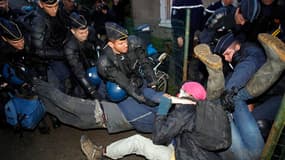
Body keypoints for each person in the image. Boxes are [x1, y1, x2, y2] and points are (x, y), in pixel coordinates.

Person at [80, 81, 231, 160]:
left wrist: (163, 110)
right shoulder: (208, 110)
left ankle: (99, 153)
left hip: (184, 156)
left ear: (185, 92)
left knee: (137, 141)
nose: (179, 91)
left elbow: (158, 138)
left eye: (182, 90)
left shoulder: (184, 112)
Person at [194, 32, 285, 160]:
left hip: (278, 98)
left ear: (237, 47)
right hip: (250, 153)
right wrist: (228, 91)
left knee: (224, 105)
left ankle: (215, 79)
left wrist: (228, 90)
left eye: (227, 54)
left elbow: (247, 66)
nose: (226, 58)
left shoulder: (250, 51)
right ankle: (215, 81)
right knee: (229, 101)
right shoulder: (239, 57)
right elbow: (235, 75)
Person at [97, 22, 159, 107]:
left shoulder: (134, 43)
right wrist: (142, 99)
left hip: (134, 77)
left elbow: (145, 62)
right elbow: (123, 81)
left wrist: (152, 83)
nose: (126, 45)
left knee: (149, 97)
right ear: (111, 44)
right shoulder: (105, 60)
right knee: (113, 96)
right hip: (115, 83)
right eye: (121, 43)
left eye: (126, 40)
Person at [63, 12, 103, 99]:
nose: (85, 35)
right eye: (81, 33)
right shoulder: (69, 47)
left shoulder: (90, 31)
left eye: (86, 31)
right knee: (81, 91)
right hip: (76, 69)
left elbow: (98, 44)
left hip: (89, 60)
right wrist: (91, 91)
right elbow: (78, 72)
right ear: (73, 31)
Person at [170, 0, 205, 86]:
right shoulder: (178, 2)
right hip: (181, 35)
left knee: (193, 59)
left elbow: (201, 18)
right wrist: (178, 36)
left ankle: (191, 83)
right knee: (180, 59)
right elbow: (174, 19)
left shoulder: (198, 2)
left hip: (193, 34)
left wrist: (198, 33)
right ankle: (179, 84)